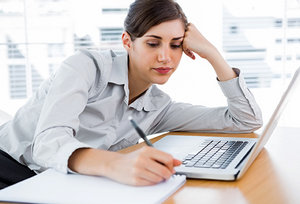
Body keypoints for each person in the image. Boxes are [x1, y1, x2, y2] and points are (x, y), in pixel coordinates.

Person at [0, 0, 263, 189]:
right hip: (10, 165)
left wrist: (213, 55)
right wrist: (115, 165)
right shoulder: (85, 67)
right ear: (127, 42)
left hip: (62, 182)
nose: (165, 57)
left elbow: (245, 120)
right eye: (152, 43)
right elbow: (48, 144)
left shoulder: (159, 106)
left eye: (176, 45)